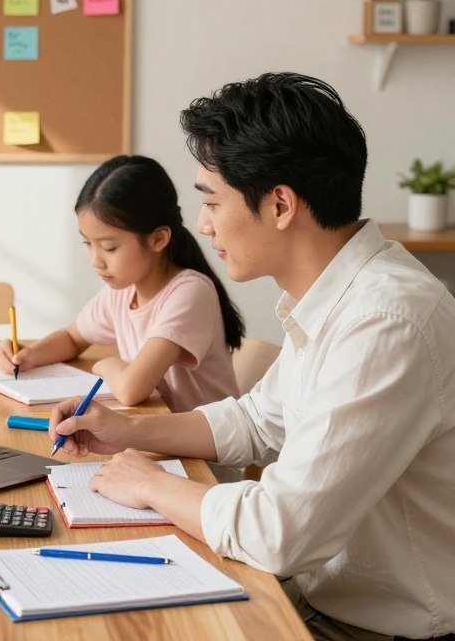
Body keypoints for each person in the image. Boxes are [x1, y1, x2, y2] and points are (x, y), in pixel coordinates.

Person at [48, 73, 455, 640]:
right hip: (317, 600)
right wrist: (122, 431)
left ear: (281, 204)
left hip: (379, 629)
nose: (204, 223)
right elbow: (258, 420)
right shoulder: (338, 296)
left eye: (212, 201)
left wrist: (152, 485)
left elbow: (282, 534)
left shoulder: (385, 321)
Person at [0, 154, 244, 412]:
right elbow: (72, 337)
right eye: (87, 244)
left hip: (206, 449)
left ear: (158, 239)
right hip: (158, 434)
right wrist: (30, 355)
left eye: (109, 247)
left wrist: (105, 365)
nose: (95, 261)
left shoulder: (190, 292)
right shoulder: (123, 291)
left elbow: (130, 389)